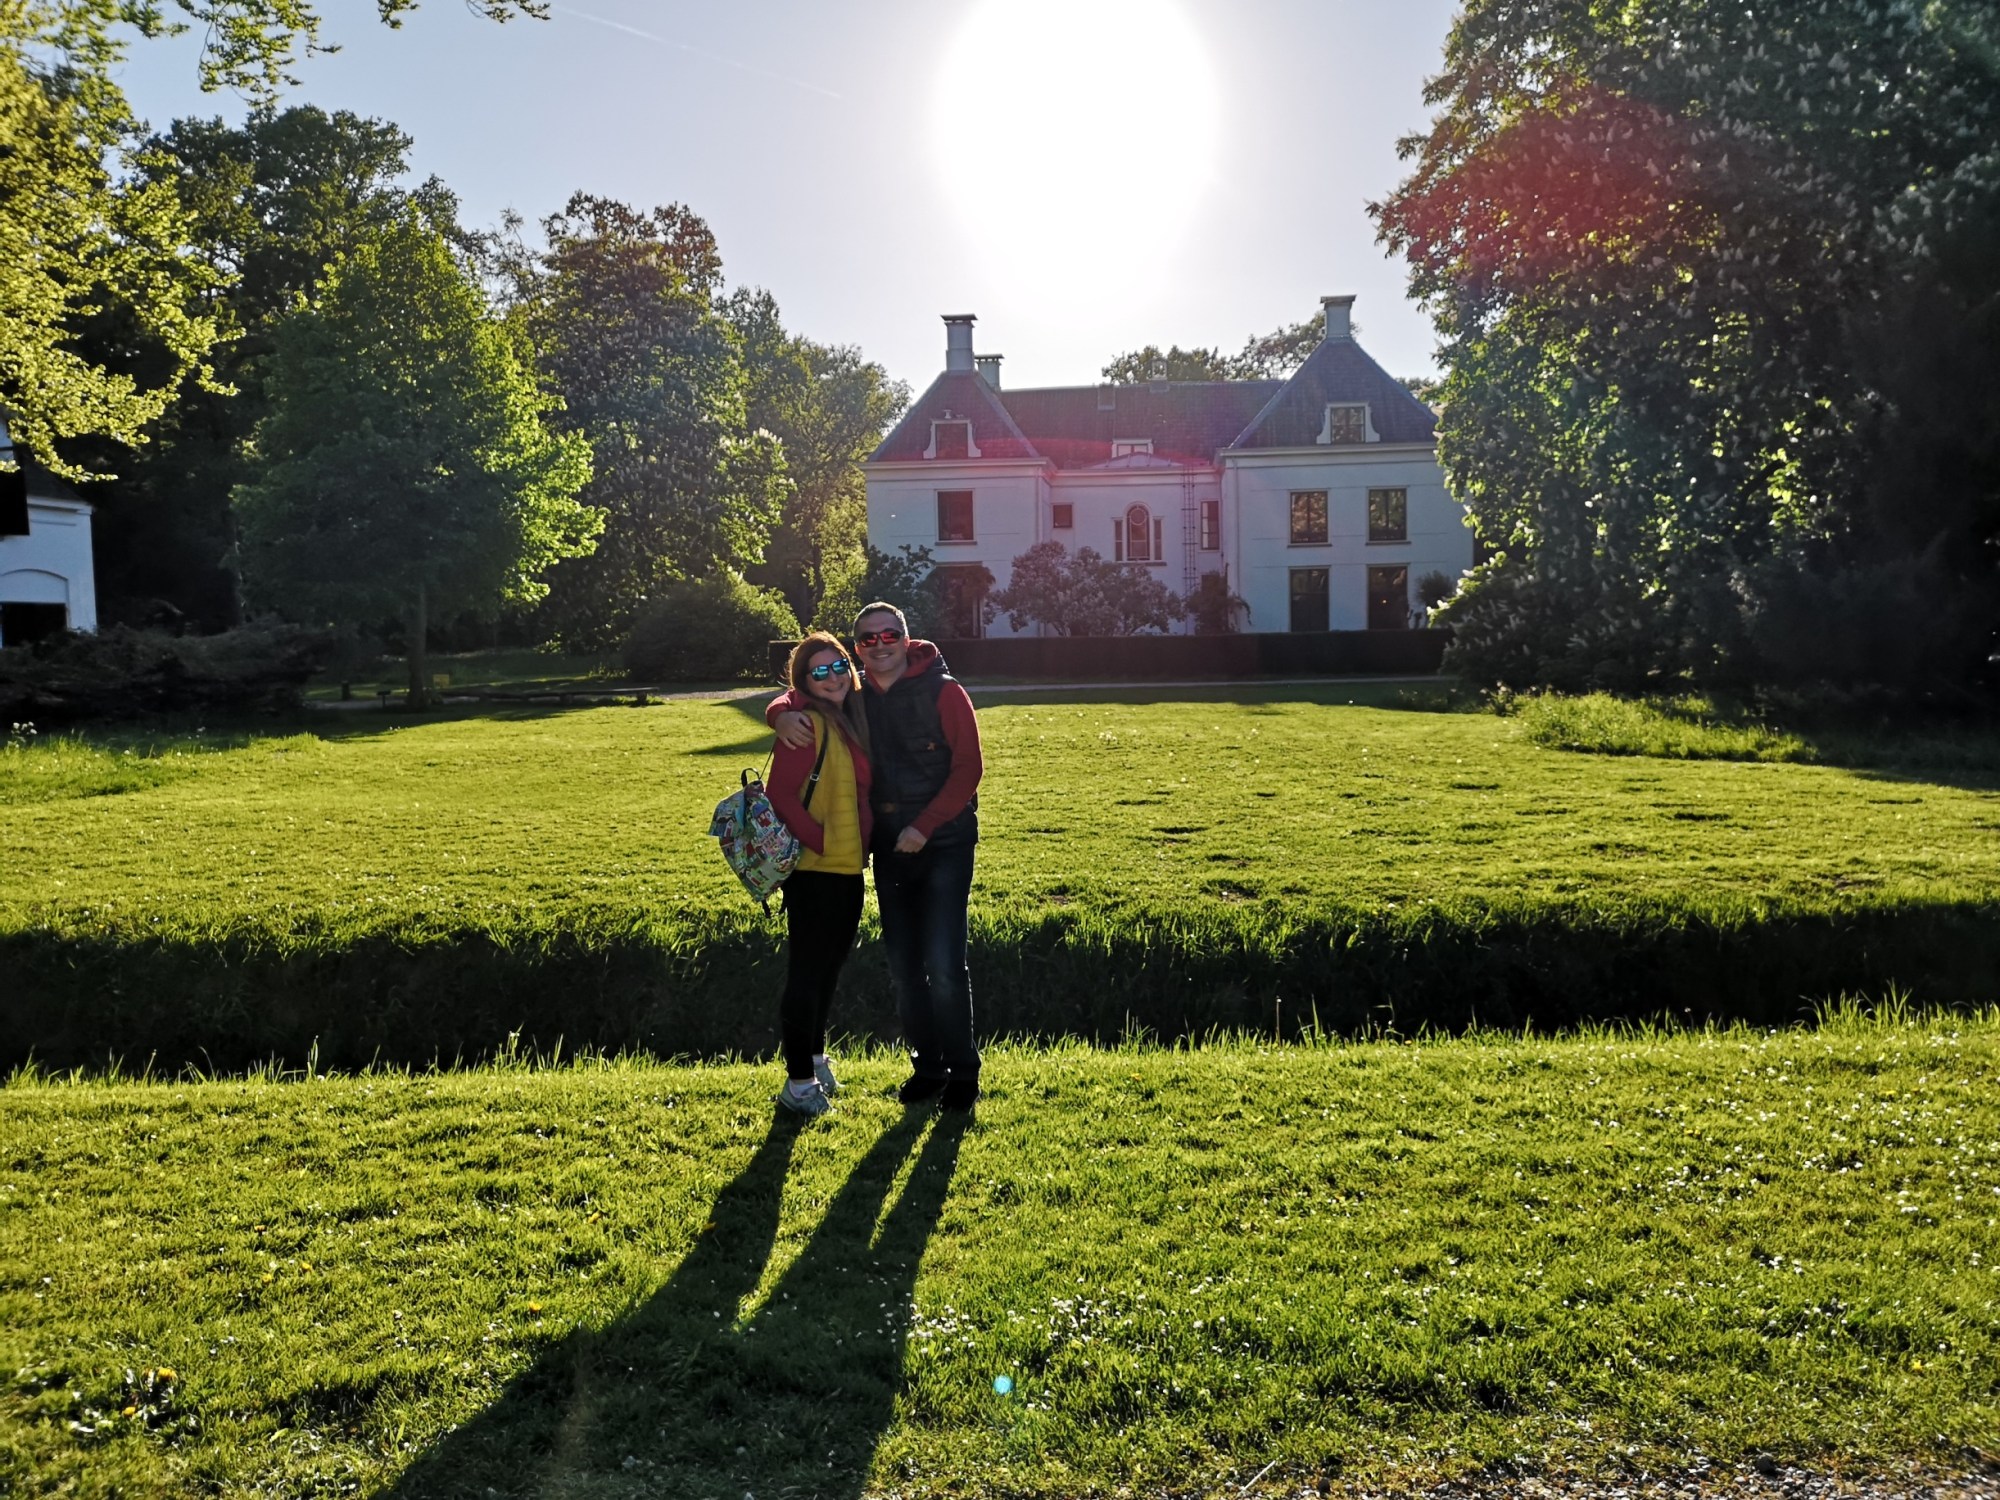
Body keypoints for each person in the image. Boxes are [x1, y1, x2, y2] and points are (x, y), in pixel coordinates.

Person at [768, 602, 985, 1109]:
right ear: (858, 648)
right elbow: (800, 692)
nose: (880, 645)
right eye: (868, 639)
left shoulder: (944, 691)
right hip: (887, 846)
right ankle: (928, 1069)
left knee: (944, 964)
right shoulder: (855, 694)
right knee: (904, 967)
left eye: (890, 635)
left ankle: (963, 1075)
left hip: (943, 841)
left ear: (906, 639)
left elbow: (969, 768)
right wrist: (779, 714)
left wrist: (925, 826)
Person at [765, 632, 874, 1118]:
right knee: (808, 973)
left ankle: (813, 1058)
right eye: (819, 672)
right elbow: (780, 794)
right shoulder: (805, 723)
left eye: (839, 666)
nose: (833, 678)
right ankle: (799, 1085)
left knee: (829, 969)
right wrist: (822, 840)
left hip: (848, 867)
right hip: (815, 870)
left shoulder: (850, 715)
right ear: (804, 681)